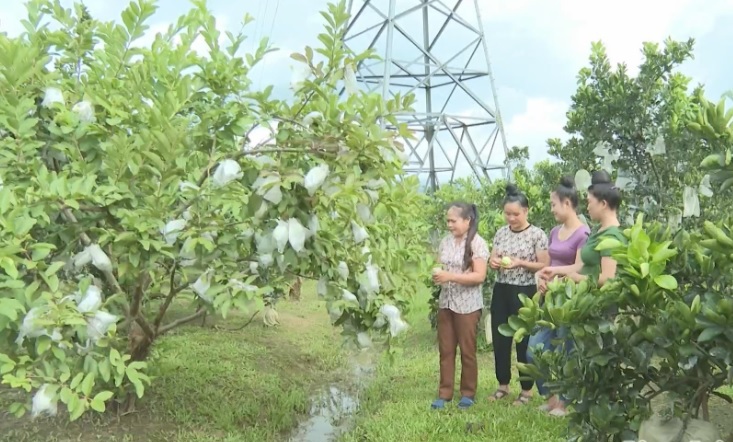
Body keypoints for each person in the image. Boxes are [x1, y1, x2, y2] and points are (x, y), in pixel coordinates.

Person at [528, 177, 590, 417]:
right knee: (534, 350)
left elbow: (579, 269)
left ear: (567, 203)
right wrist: (543, 281)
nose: (552, 209)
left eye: (554, 204)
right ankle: (550, 396)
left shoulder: (583, 233)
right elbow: (551, 264)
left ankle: (565, 402)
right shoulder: (554, 232)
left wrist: (556, 280)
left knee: (566, 351)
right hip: (549, 301)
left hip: (569, 302)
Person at [487, 185, 550, 406]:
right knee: (500, 338)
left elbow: (544, 265)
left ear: (526, 211)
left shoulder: (537, 235)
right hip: (502, 289)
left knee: (524, 340)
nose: (511, 218)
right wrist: (494, 262)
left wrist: (520, 263)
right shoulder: (501, 233)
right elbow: (493, 259)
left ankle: (526, 389)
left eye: (515, 214)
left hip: (525, 292)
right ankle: (503, 384)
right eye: (507, 214)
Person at [431, 202, 489, 410]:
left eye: (453, 221)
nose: (449, 225)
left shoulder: (477, 243)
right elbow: (440, 264)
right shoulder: (445, 242)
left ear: (467, 221)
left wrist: (450, 276)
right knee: (446, 349)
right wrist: (437, 273)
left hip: (468, 305)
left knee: (467, 350)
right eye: (448, 220)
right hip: (446, 302)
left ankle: (468, 393)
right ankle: (444, 393)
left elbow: (480, 276)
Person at [539, 170, 625, 286]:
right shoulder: (598, 230)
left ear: (603, 204)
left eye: (589, 202)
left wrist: (577, 278)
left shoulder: (612, 236)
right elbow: (583, 265)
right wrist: (555, 270)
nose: (587, 207)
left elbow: (608, 278)